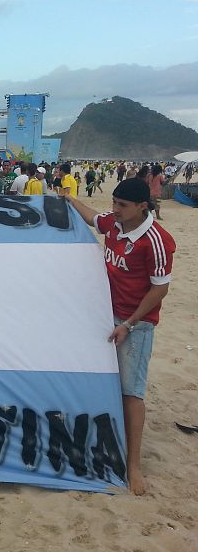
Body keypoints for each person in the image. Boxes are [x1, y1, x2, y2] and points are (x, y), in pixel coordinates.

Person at [64, 178, 175, 495]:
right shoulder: (115, 223)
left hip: (135, 322)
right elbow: (93, 218)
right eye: (113, 203)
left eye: (121, 205)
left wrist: (129, 322)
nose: (114, 210)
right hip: (103, 313)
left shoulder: (156, 241)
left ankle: (134, 466)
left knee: (131, 391)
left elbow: (160, 288)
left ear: (143, 206)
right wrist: (69, 200)